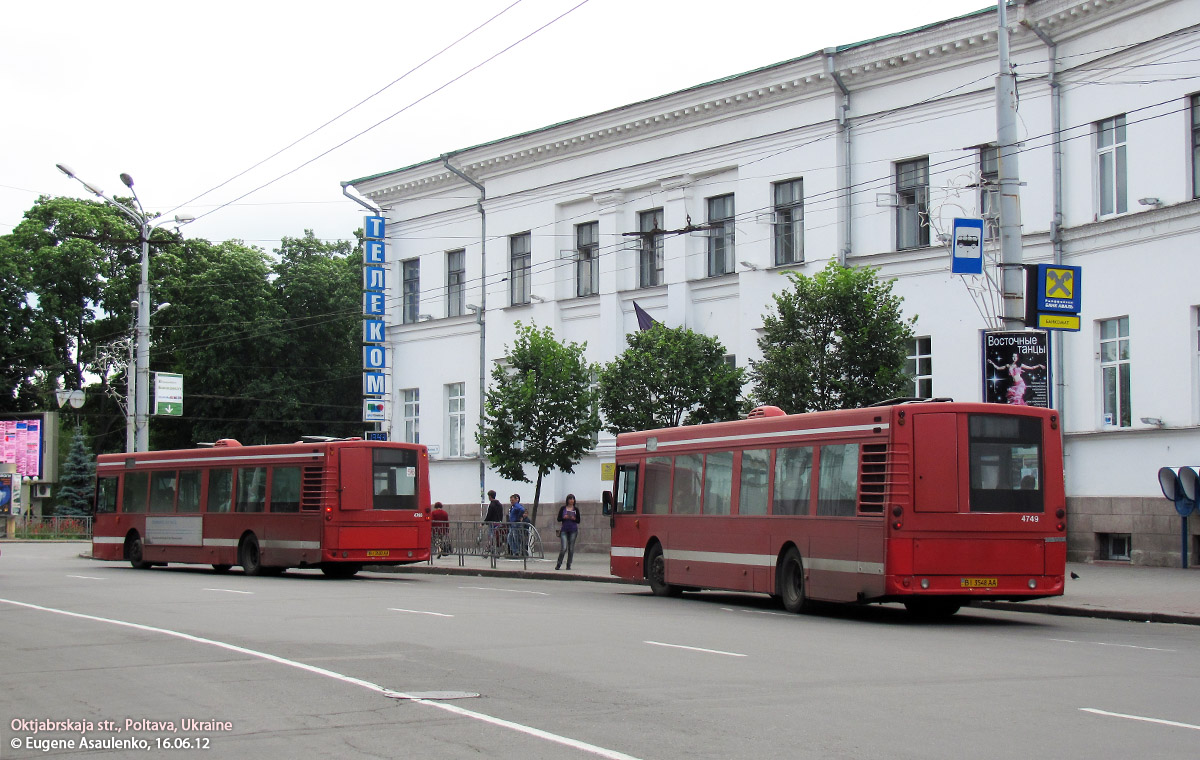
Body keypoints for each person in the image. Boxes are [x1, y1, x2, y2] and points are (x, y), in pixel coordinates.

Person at [555, 493, 581, 570]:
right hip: (564, 530)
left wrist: (574, 519)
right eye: (570, 499)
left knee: (571, 548)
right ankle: (558, 564)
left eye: (573, 499)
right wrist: (564, 517)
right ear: (567, 500)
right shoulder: (563, 508)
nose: (571, 500)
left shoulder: (576, 509)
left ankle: (568, 564)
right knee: (563, 548)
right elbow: (559, 519)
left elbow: (578, 520)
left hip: (573, 530)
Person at [484, 489, 504, 556]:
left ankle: (491, 548)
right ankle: (497, 549)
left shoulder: (491, 505)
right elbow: (501, 514)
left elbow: (489, 515)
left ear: (490, 496)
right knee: (497, 536)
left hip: (492, 523)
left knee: (491, 536)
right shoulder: (500, 504)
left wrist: (484, 522)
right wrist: (500, 520)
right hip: (498, 522)